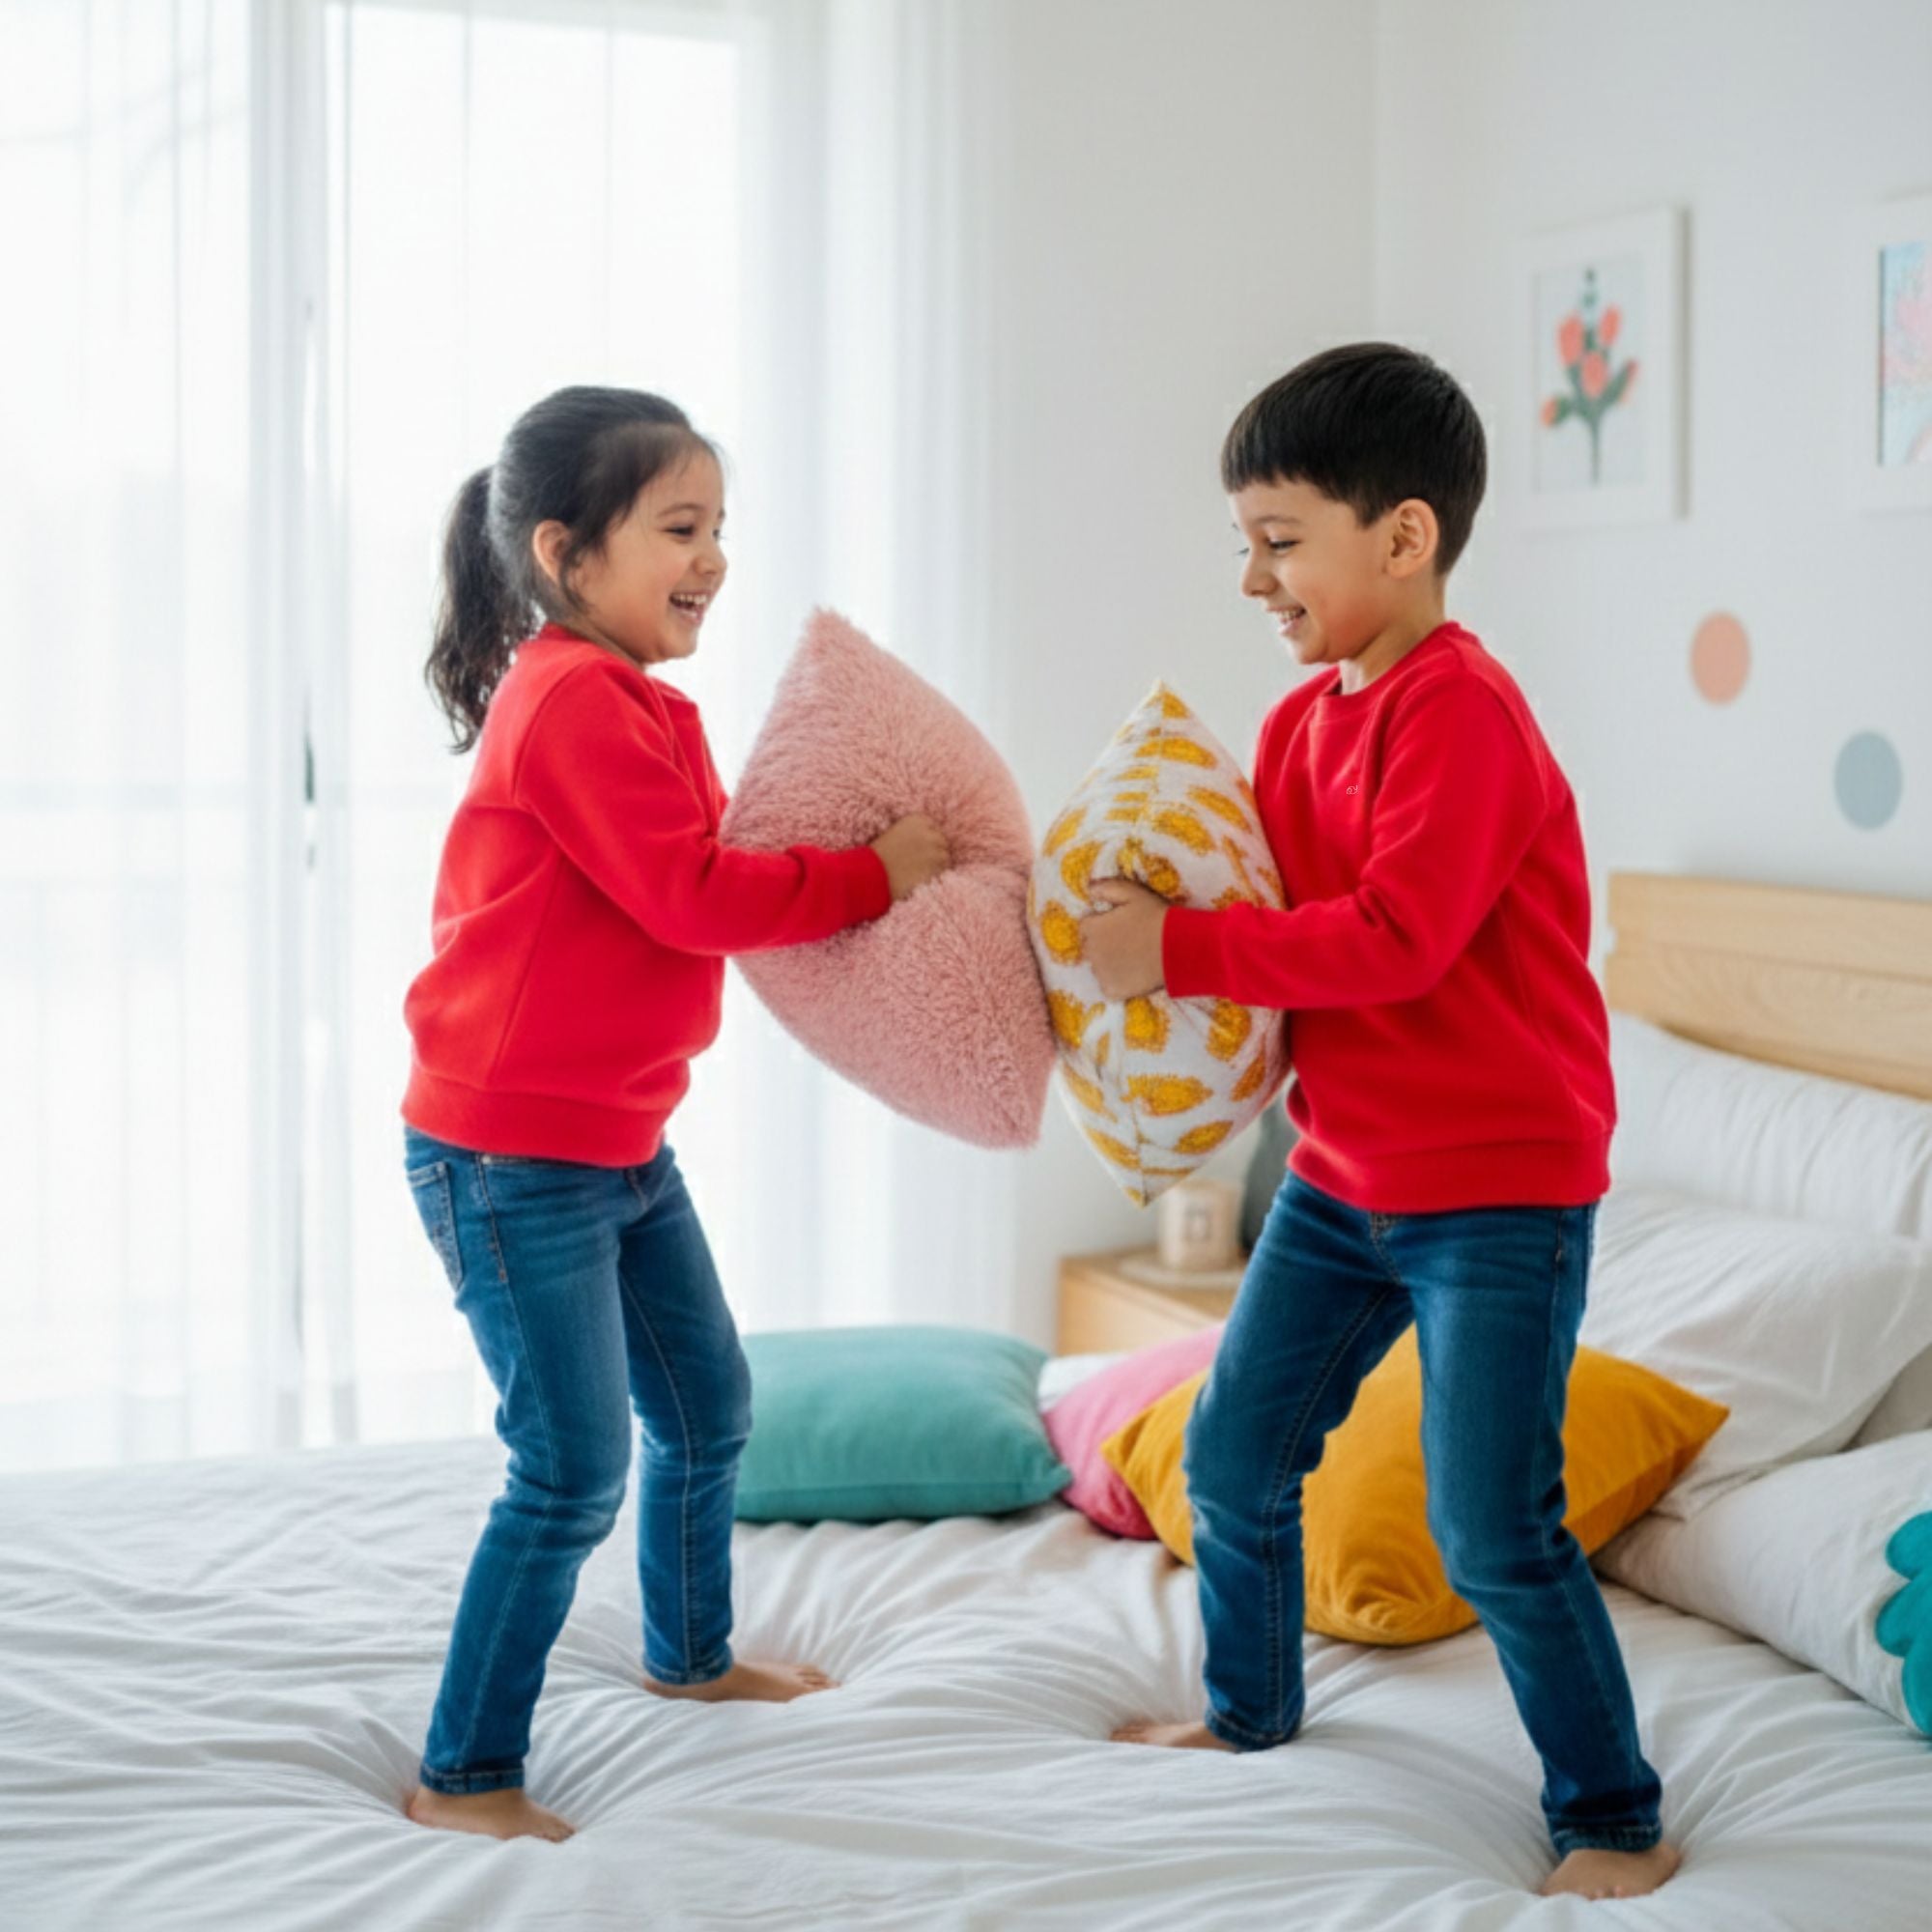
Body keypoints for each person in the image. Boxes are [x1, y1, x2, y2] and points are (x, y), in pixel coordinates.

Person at [1082, 344, 1678, 1902]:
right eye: (1245, 543)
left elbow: (1395, 938)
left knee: (1493, 1526)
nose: (1253, 578)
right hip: (1343, 1179)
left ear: (1402, 538)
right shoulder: (1295, 731)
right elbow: (1263, 940)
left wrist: (1180, 951)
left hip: (1497, 1193)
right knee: (1230, 1458)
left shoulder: (1461, 713)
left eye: (1280, 541)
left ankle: (1613, 1813)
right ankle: (1249, 1715)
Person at [399, 385, 949, 1842]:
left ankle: (689, 1657)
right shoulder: (573, 701)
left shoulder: (632, 700)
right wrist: (873, 876)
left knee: (706, 1411)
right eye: (682, 531)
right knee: (571, 1465)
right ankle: (463, 1772)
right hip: (512, 1152)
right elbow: (692, 896)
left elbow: (700, 864)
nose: (713, 560)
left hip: (613, 1139)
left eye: (720, 531)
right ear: (569, 556)